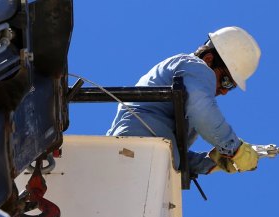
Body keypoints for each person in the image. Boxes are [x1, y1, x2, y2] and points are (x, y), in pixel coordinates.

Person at [107, 26, 261, 176]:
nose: (225, 91)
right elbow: (202, 112)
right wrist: (235, 149)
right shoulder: (197, 67)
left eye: (231, 87)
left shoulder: (188, 90)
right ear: (208, 60)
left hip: (134, 153)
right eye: (226, 81)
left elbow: (173, 150)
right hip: (135, 152)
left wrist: (212, 163)